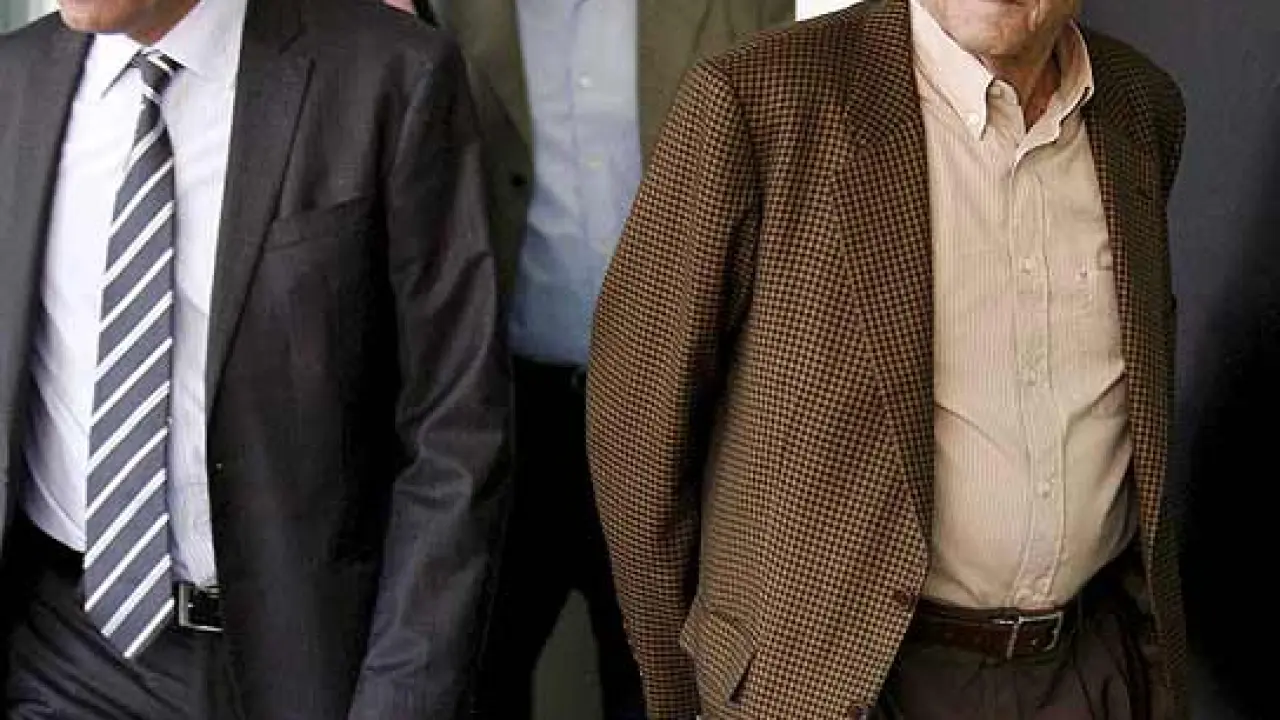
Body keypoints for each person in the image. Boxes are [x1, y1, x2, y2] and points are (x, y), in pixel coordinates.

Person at [586, 0, 1188, 717]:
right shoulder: (756, 98)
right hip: (836, 687)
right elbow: (639, 428)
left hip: (1087, 671)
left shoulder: (1141, 105)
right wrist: (680, 690)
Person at [0, 0, 509, 717]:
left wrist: (401, 698)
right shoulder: (14, 81)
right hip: (64, 651)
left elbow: (454, 428)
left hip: (304, 663)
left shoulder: (391, 74)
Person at [388, 2, 791, 718]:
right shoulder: (437, 11)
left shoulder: (738, 11)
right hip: (504, 419)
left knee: (666, 679)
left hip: (676, 417)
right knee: (475, 674)